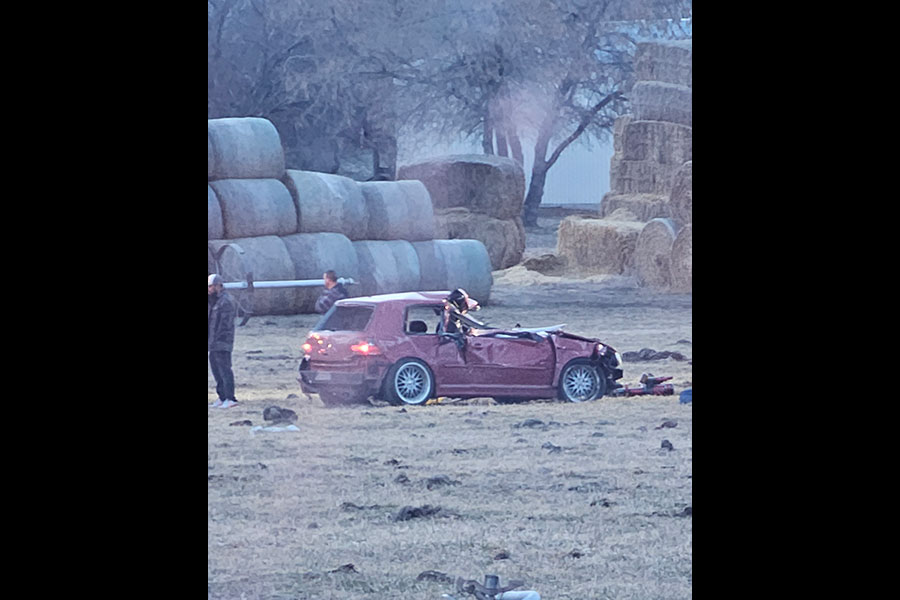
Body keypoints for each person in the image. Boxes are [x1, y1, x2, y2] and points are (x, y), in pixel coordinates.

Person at [208, 274, 239, 408]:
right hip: (213, 342)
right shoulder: (214, 301)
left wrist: (217, 340)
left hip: (222, 342)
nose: (209, 289)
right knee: (216, 369)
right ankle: (221, 396)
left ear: (218, 286)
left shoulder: (226, 301)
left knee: (225, 369)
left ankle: (230, 398)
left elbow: (224, 325)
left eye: (211, 286)